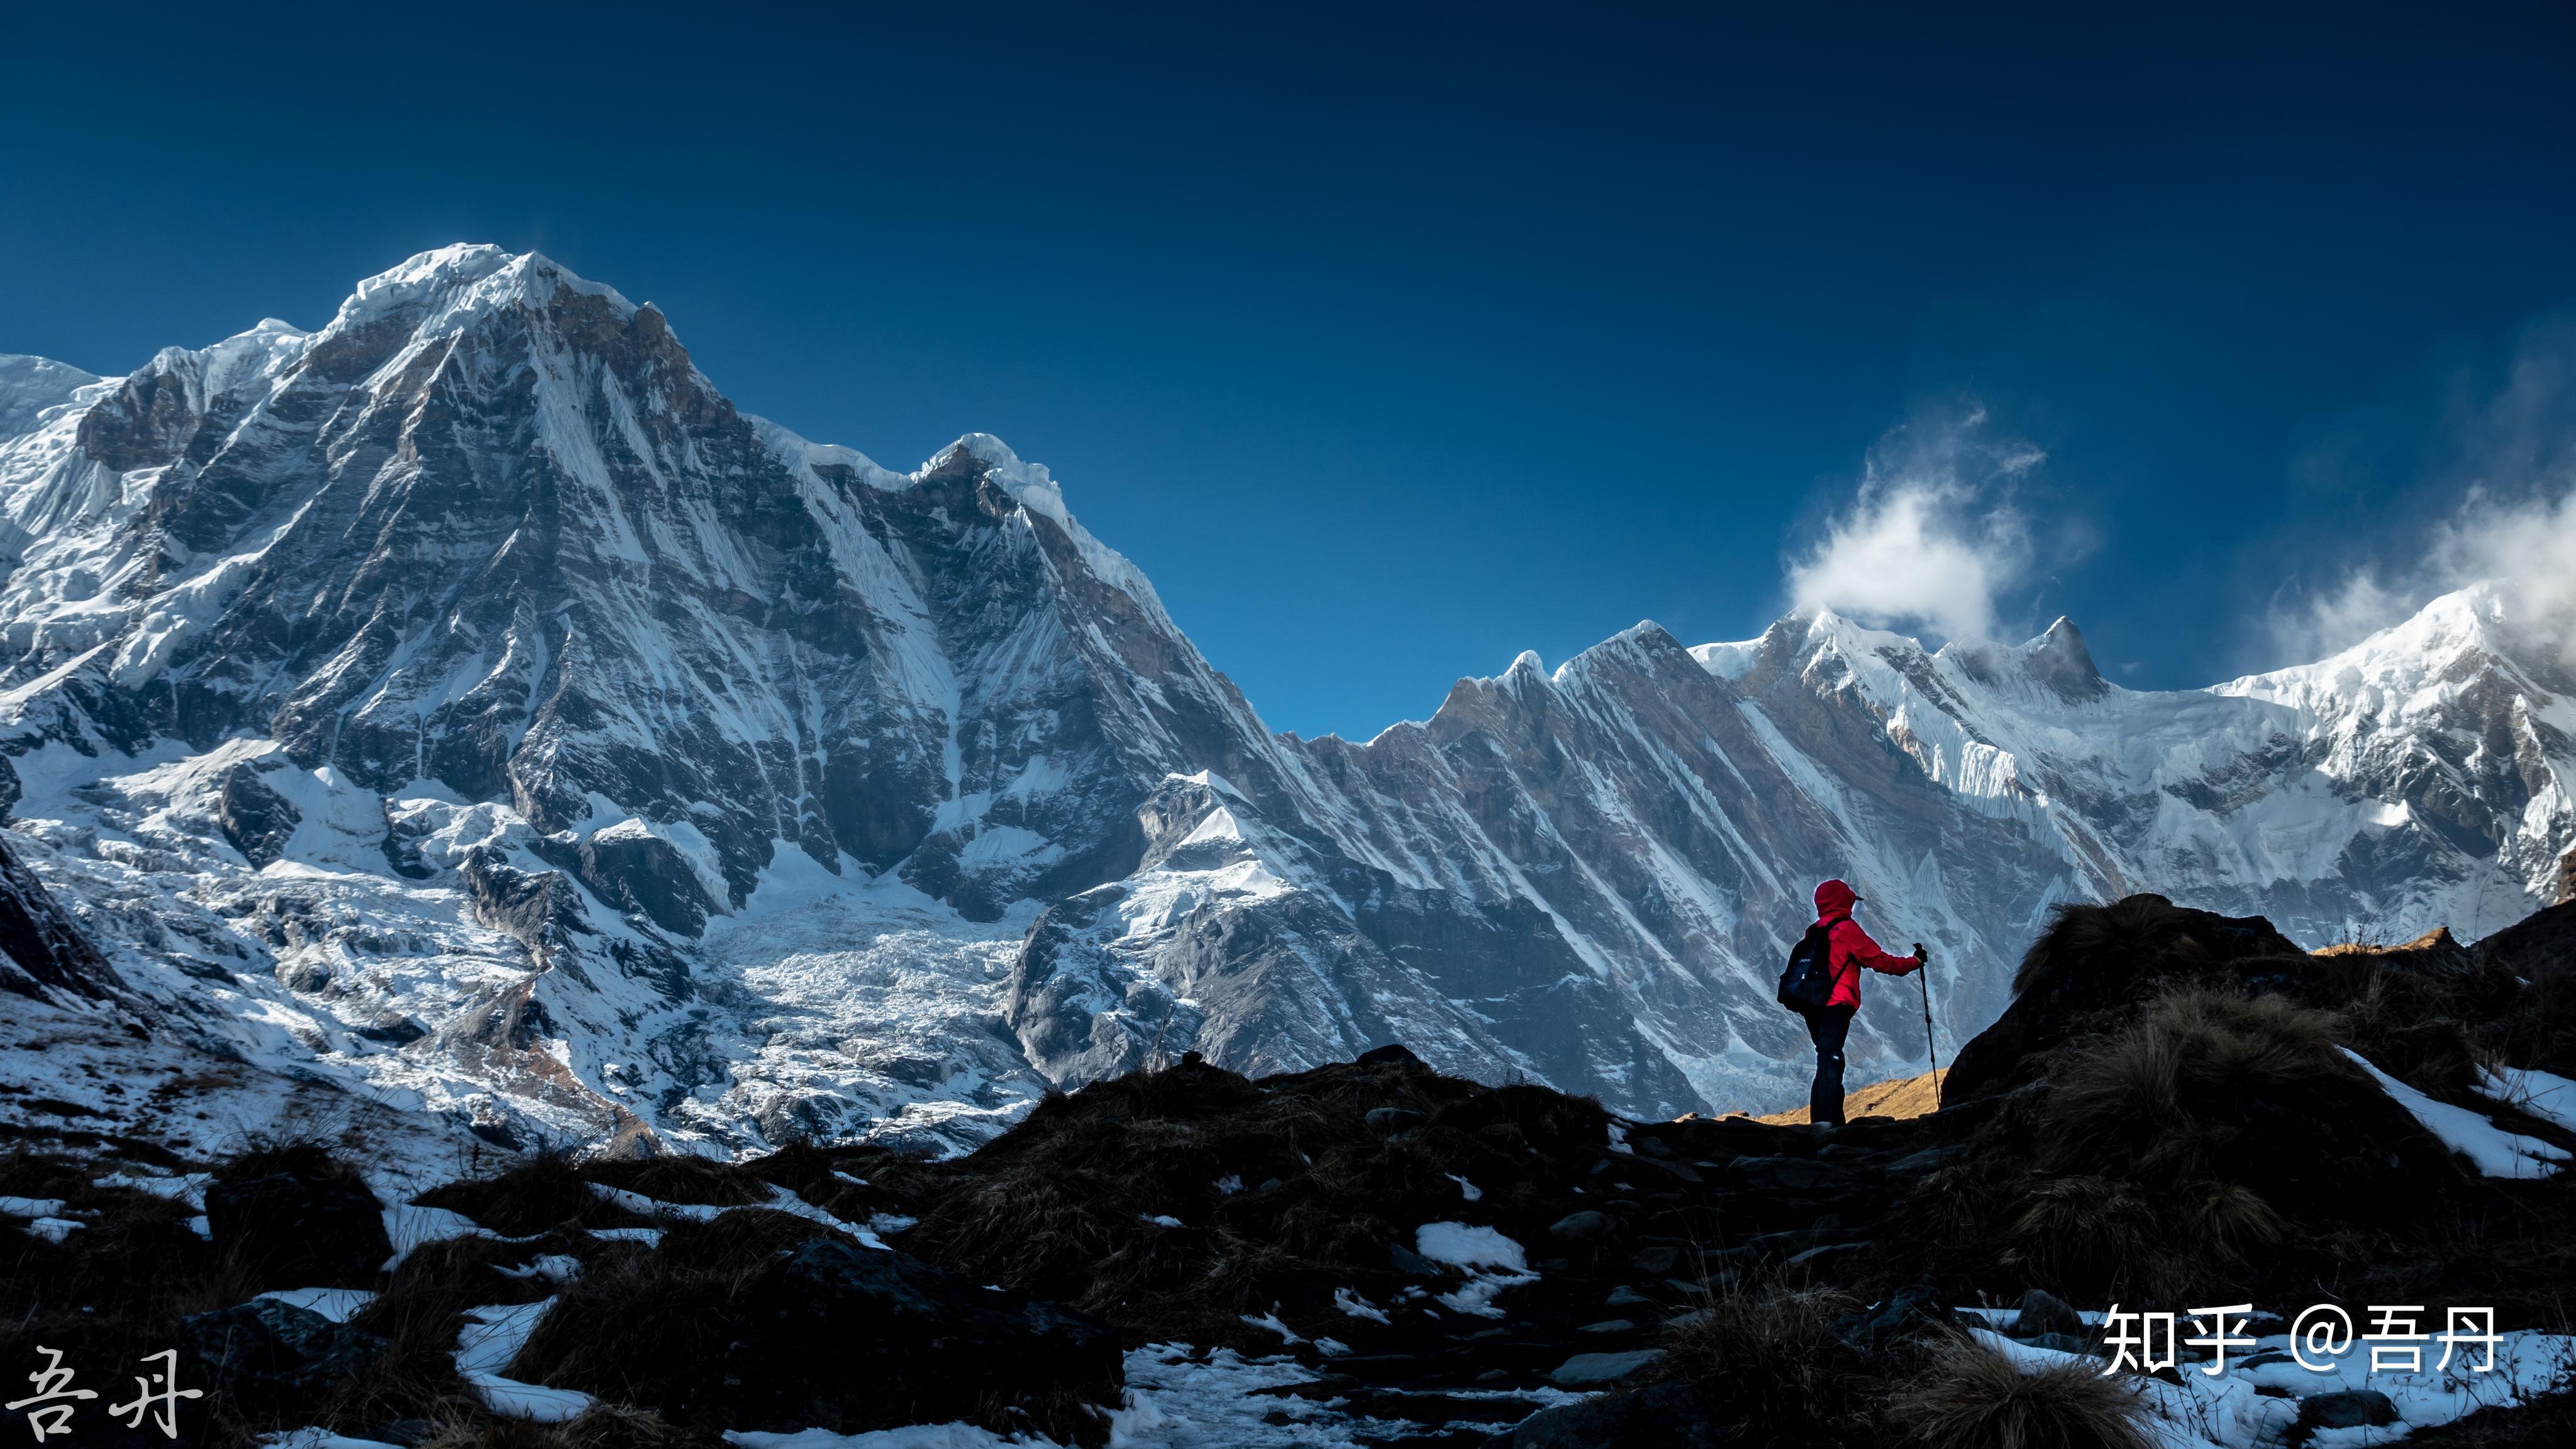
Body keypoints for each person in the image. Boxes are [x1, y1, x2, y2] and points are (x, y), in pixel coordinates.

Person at [1801, 879, 1925, 1129]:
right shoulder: (1847, 929)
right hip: (1836, 1004)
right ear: (1844, 902)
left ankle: (1830, 1122)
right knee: (1830, 1059)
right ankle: (1825, 1124)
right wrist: (1914, 962)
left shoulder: (1814, 931)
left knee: (1828, 1057)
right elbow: (1880, 961)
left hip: (1812, 1006)